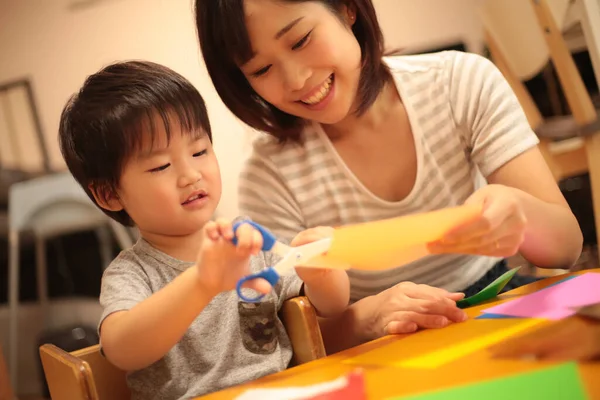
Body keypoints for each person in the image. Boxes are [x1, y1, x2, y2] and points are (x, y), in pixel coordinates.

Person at [194, 0, 583, 354]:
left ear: (347, 9)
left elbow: (565, 249)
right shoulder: (267, 173)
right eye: (261, 69)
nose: (295, 80)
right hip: (379, 343)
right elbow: (295, 337)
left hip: (496, 300)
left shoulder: (459, 82)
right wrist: (367, 317)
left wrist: (517, 210)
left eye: (300, 40)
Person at [58, 60, 350, 400]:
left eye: (199, 151)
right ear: (110, 194)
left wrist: (321, 270)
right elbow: (121, 349)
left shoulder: (248, 240)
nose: (191, 175)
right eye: (161, 166)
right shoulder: (133, 273)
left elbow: (332, 305)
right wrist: (202, 283)